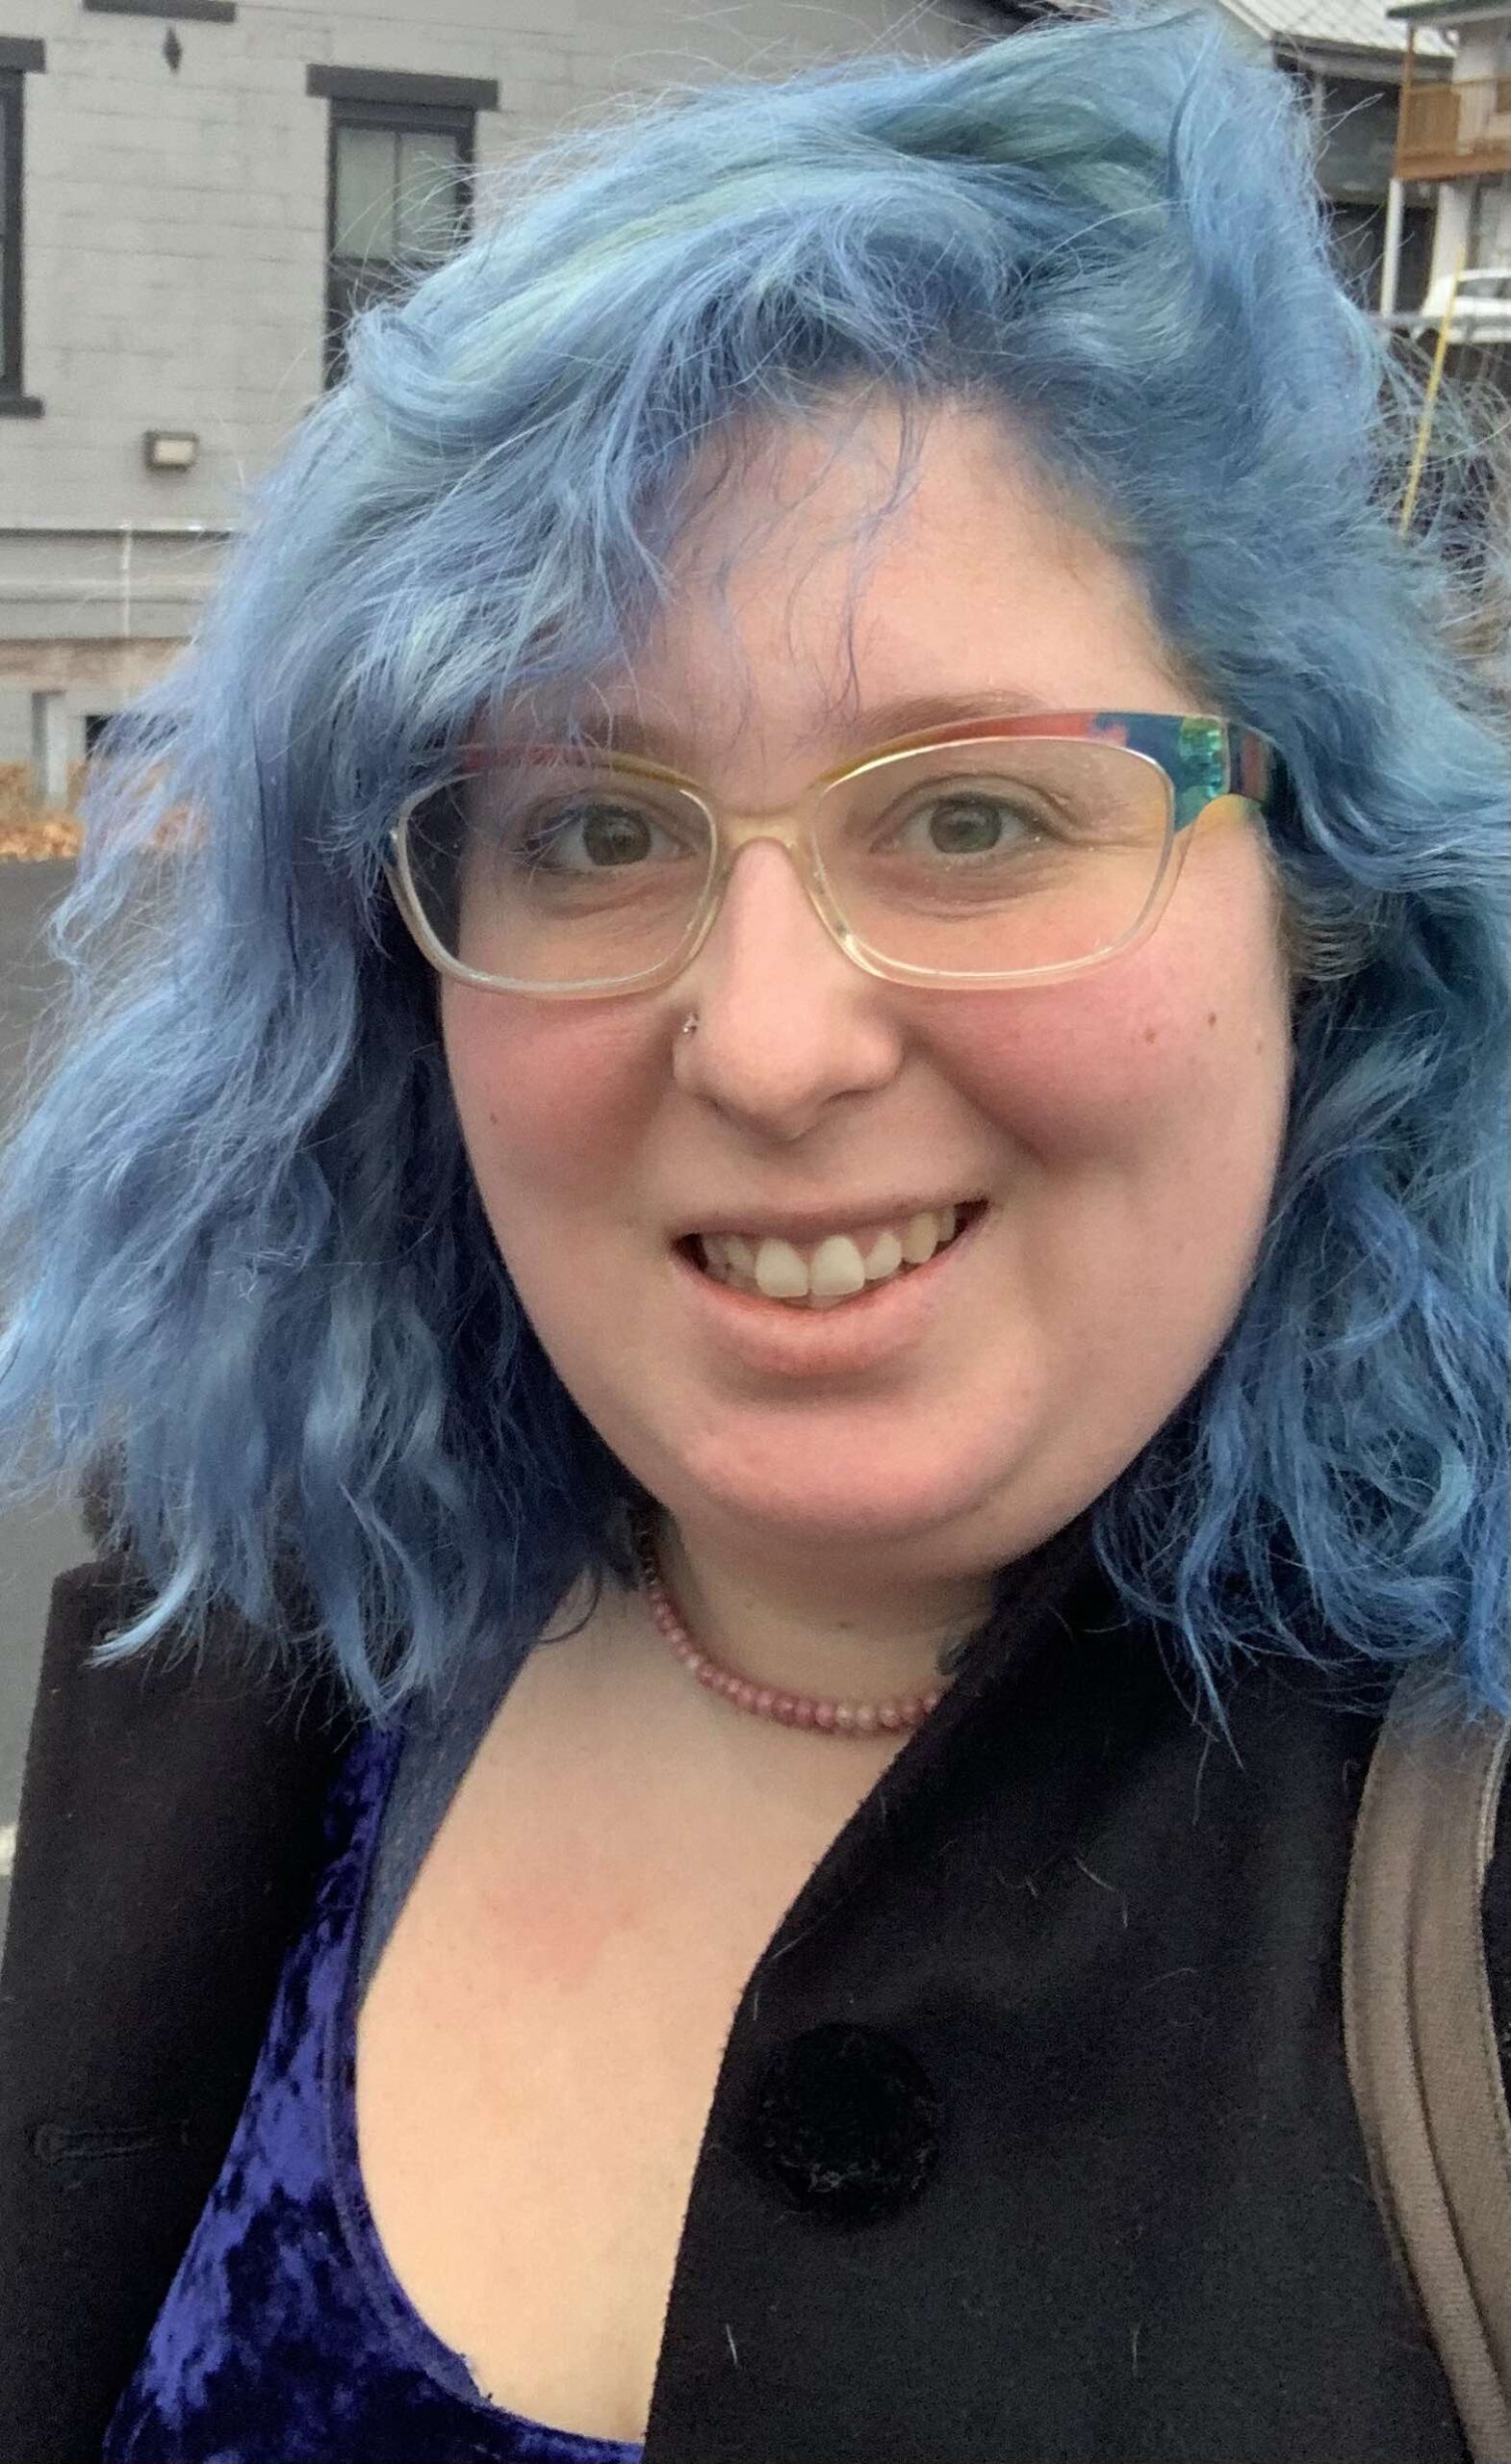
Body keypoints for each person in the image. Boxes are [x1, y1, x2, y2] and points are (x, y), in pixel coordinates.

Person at [0, 4, 1506, 2457]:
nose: (773, 1044)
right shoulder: (269, 1633)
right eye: (591, 831)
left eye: (978, 816)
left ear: (1316, 902)